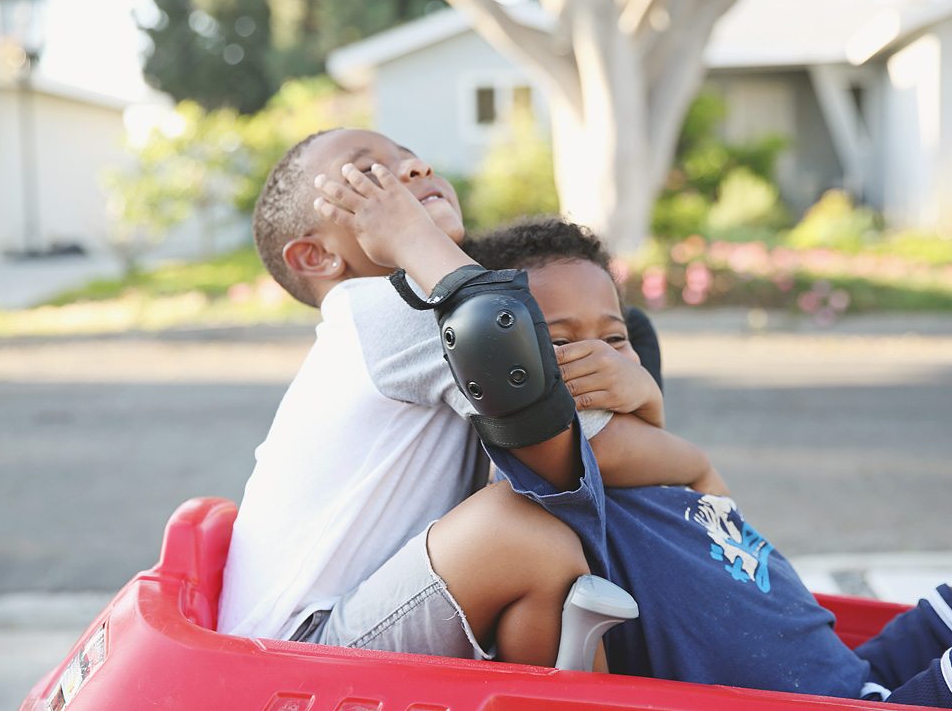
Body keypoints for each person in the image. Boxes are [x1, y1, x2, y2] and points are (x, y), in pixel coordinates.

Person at [459, 217, 952, 710]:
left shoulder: (670, 472)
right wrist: (642, 397)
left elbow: (696, 471)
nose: (600, 357)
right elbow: (571, 438)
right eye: (561, 342)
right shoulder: (557, 477)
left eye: (616, 340)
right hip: (830, 708)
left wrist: (649, 399)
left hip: (861, 674)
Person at [217, 127, 708, 668]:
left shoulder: (410, 312)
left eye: (414, 158)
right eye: (367, 172)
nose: (413, 171)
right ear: (315, 257)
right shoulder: (387, 309)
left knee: (529, 537)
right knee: (520, 531)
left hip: (341, 625)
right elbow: (571, 448)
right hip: (288, 652)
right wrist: (680, 441)